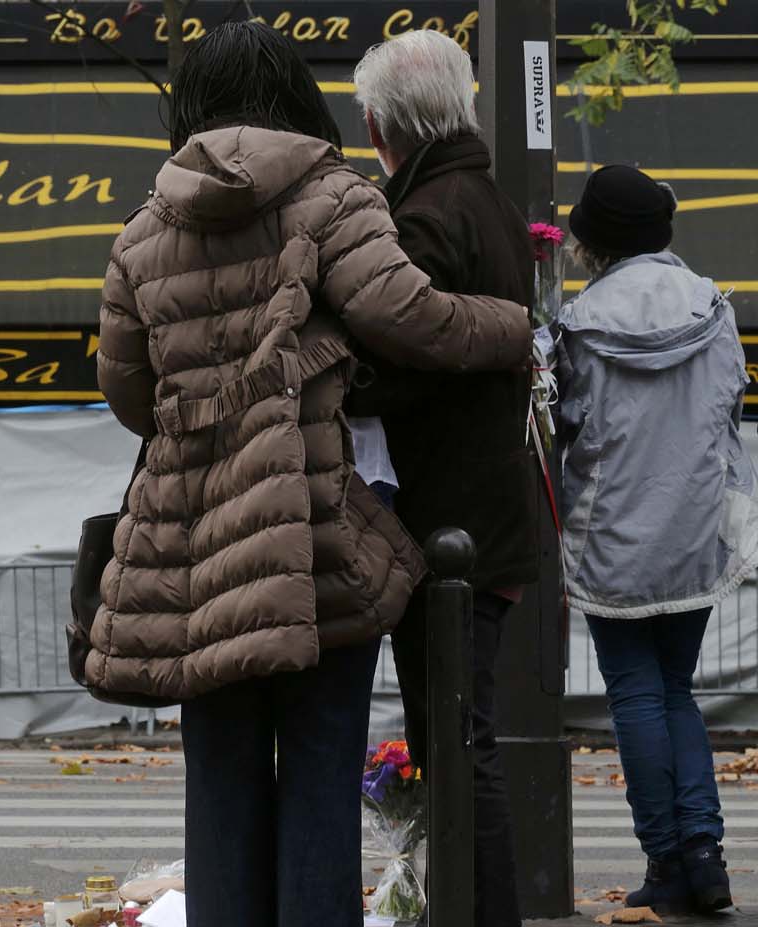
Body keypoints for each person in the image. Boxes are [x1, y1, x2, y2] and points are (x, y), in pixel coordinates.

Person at [87, 22, 531, 927]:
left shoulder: (142, 231)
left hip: (190, 535)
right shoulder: (337, 199)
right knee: (324, 752)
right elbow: (416, 319)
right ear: (297, 96)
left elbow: (128, 394)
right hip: (313, 527)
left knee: (218, 758)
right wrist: (520, 326)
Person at [345, 30, 541, 927]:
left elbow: (406, 363)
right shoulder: (486, 198)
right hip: (487, 509)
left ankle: (477, 912)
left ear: (385, 125)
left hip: (445, 517)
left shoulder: (424, 216)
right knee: (459, 737)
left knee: (456, 742)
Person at [557, 164, 758, 915]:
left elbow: (565, 426)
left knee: (636, 690)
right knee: (677, 687)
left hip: (613, 533)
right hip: (695, 529)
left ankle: (669, 858)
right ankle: (705, 855)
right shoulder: (712, 305)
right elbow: (726, 406)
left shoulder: (581, 323)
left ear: (595, 243)